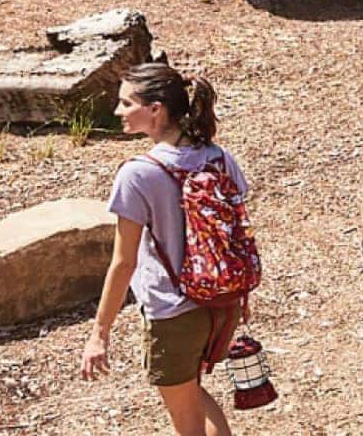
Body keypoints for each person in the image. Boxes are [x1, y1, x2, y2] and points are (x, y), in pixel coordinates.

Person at [81, 63, 248, 436]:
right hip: (222, 302)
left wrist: (99, 333)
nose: (118, 112)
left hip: (173, 313)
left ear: (156, 109)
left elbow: (123, 263)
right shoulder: (218, 157)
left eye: (126, 103)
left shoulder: (138, 174)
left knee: (186, 421)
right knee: (191, 392)